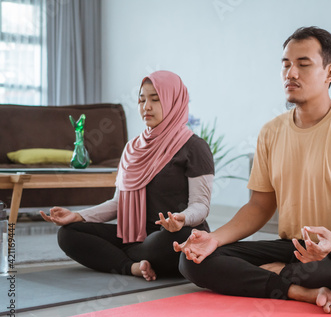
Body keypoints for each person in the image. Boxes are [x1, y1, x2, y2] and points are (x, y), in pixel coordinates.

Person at [174, 27, 331, 314]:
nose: (291, 73)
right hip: (295, 249)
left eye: (303, 64)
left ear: (330, 73)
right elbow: (259, 206)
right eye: (286, 65)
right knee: (192, 260)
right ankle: (299, 290)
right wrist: (213, 239)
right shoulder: (271, 132)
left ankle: (277, 275)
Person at [40, 70, 214, 281]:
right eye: (141, 100)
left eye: (155, 99)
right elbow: (118, 203)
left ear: (173, 101)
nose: (146, 106)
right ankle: (132, 266)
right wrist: (77, 216)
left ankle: (123, 259)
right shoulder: (133, 148)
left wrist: (182, 219)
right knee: (68, 234)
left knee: (178, 239)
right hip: (134, 236)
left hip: (173, 235)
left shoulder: (195, 147)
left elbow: (201, 206)